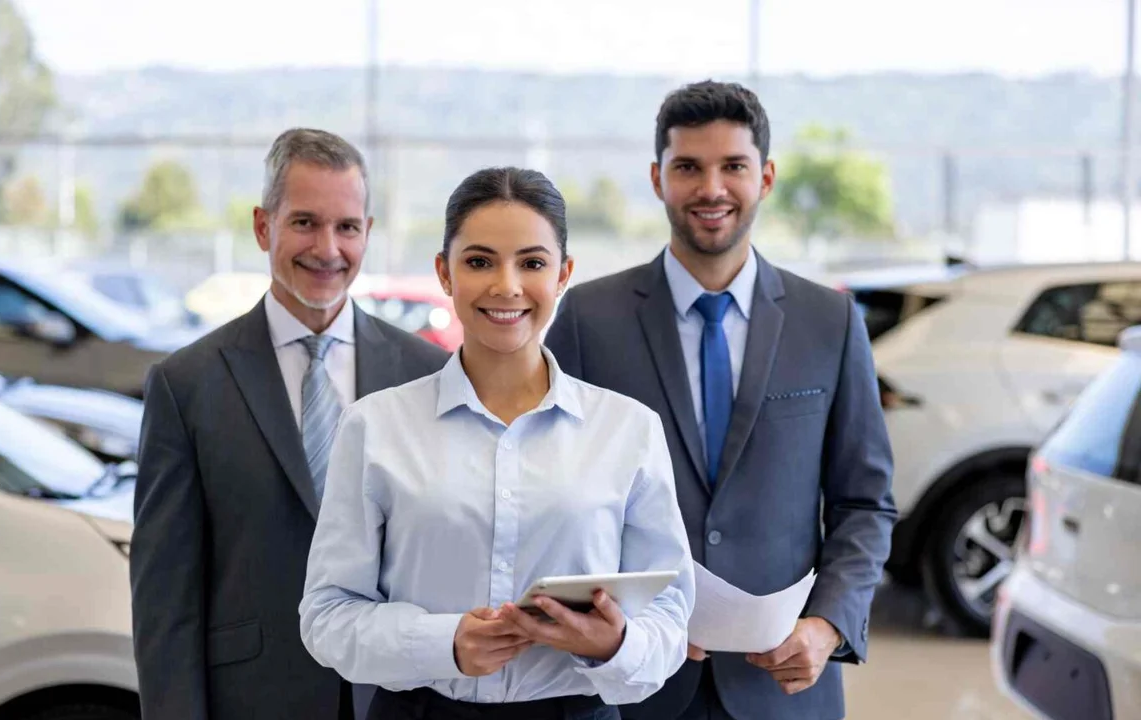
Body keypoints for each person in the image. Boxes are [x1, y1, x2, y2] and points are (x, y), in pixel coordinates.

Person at [544, 81, 898, 720]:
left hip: (784, 686)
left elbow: (864, 502)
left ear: (765, 177)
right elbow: (552, 496)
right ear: (658, 178)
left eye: (733, 166)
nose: (711, 188)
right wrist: (614, 619)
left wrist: (828, 625)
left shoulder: (830, 321)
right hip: (634, 680)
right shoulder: (588, 320)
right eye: (688, 167)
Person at [299, 167, 695, 720]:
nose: (506, 286)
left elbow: (670, 613)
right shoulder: (375, 426)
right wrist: (444, 643)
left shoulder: (629, 429)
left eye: (532, 263)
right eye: (480, 262)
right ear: (445, 272)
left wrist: (615, 644)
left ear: (563, 274)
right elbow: (327, 614)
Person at [130, 128, 450, 720]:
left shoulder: (427, 373)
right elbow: (165, 600)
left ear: (367, 233)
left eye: (346, 227)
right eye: (305, 222)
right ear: (263, 227)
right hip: (254, 700)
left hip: (400, 700)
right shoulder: (186, 385)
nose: (328, 248)